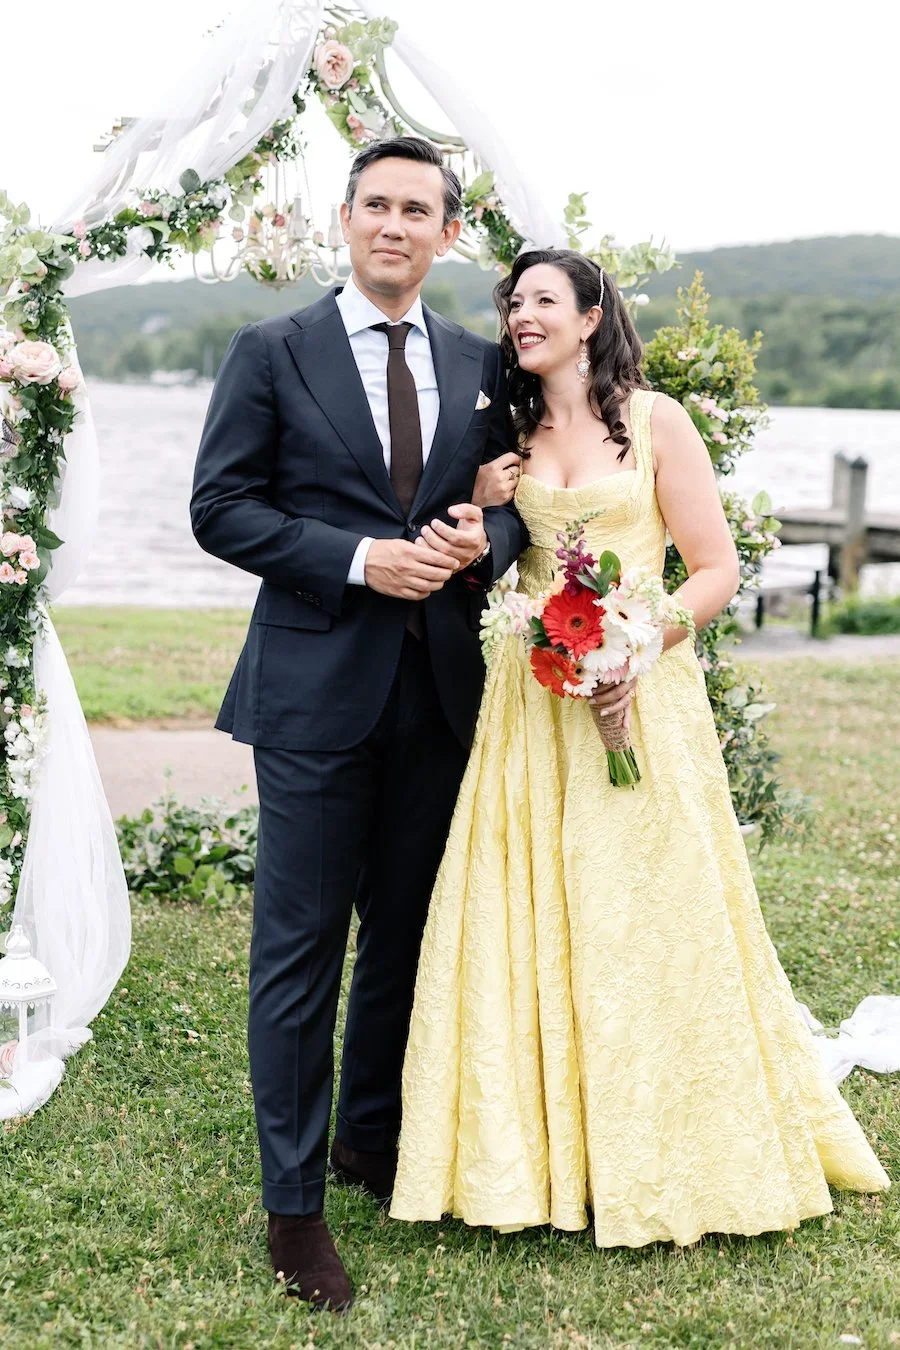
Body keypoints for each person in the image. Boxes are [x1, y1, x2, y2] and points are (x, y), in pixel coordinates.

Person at [390, 249, 890, 1246]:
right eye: (511, 303)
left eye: (542, 301)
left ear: (590, 316)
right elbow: (493, 560)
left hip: (641, 697)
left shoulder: (659, 422)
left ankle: (669, 1142)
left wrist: (636, 646)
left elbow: (713, 567)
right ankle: (535, 1155)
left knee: (646, 910)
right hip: (532, 707)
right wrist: (485, 510)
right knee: (536, 907)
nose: (521, 316)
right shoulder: (510, 439)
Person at [190, 136, 527, 1311]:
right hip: (312, 694)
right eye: (376, 204)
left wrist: (480, 542)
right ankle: (295, 1212)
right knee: (299, 953)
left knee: (402, 940)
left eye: (417, 209)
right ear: (344, 220)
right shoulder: (271, 351)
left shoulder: (486, 365)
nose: (395, 224)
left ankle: (369, 1144)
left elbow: (514, 516)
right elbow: (220, 508)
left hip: (440, 696)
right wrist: (358, 560)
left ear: (444, 234)